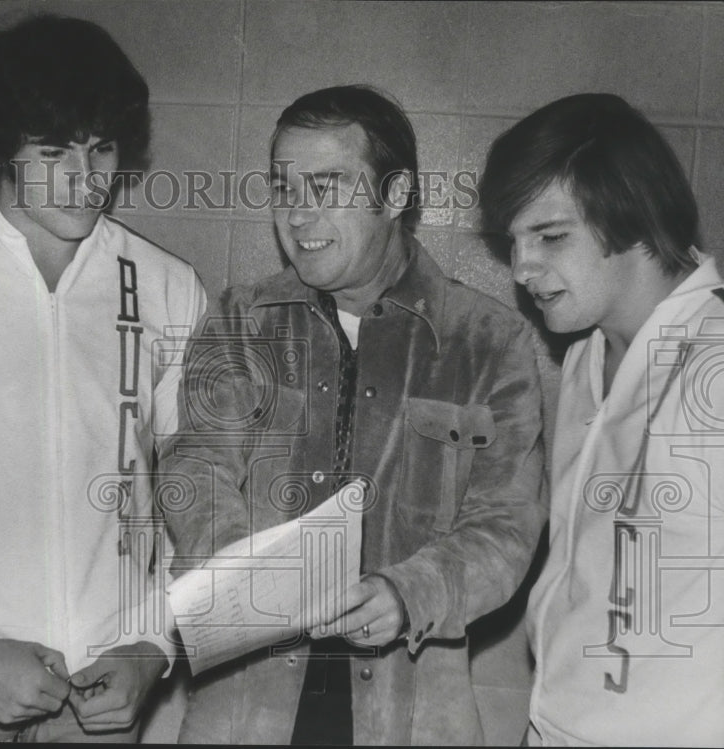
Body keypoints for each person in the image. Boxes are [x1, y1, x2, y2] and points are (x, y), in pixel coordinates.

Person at [159, 84, 546, 745]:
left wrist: (409, 592)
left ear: (395, 195)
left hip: (413, 708)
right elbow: (195, 467)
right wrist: (264, 576)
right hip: (246, 708)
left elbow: (506, 527)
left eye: (327, 185)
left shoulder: (489, 339)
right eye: (285, 188)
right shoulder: (239, 322)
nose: (299, 215)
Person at [0, 14, 207, 743]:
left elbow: (201, 499)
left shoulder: (166, 287)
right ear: (2, 145)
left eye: (101, 150)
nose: (84, 179)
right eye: (53, 150)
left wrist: (153, 643)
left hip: (105, 682)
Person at [479, 92, 724, 747]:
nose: (522, 267)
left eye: (550, 235)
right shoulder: (585, 356)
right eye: (514, 239)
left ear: (634, 218)